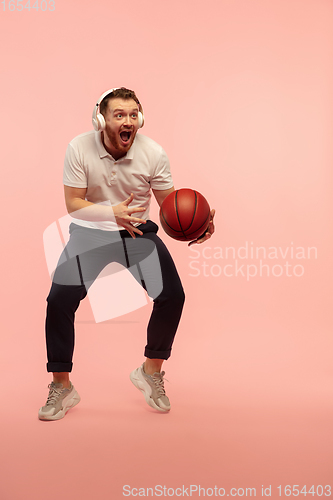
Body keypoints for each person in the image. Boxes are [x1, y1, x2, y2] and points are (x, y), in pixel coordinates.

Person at [38, 87, 215, 421]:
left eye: (133, 114)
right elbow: (73, 204)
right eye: (120, 115)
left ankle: (150, 371)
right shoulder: (79, 147)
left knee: (173, 296)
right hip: (90, 233)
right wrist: (108, 213)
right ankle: (62, 386)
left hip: (136, 233)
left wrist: (198, 223)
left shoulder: (153, 153)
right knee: (58, 300)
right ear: (101, 120)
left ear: (141, 119)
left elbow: (170, 207)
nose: (128, 121)